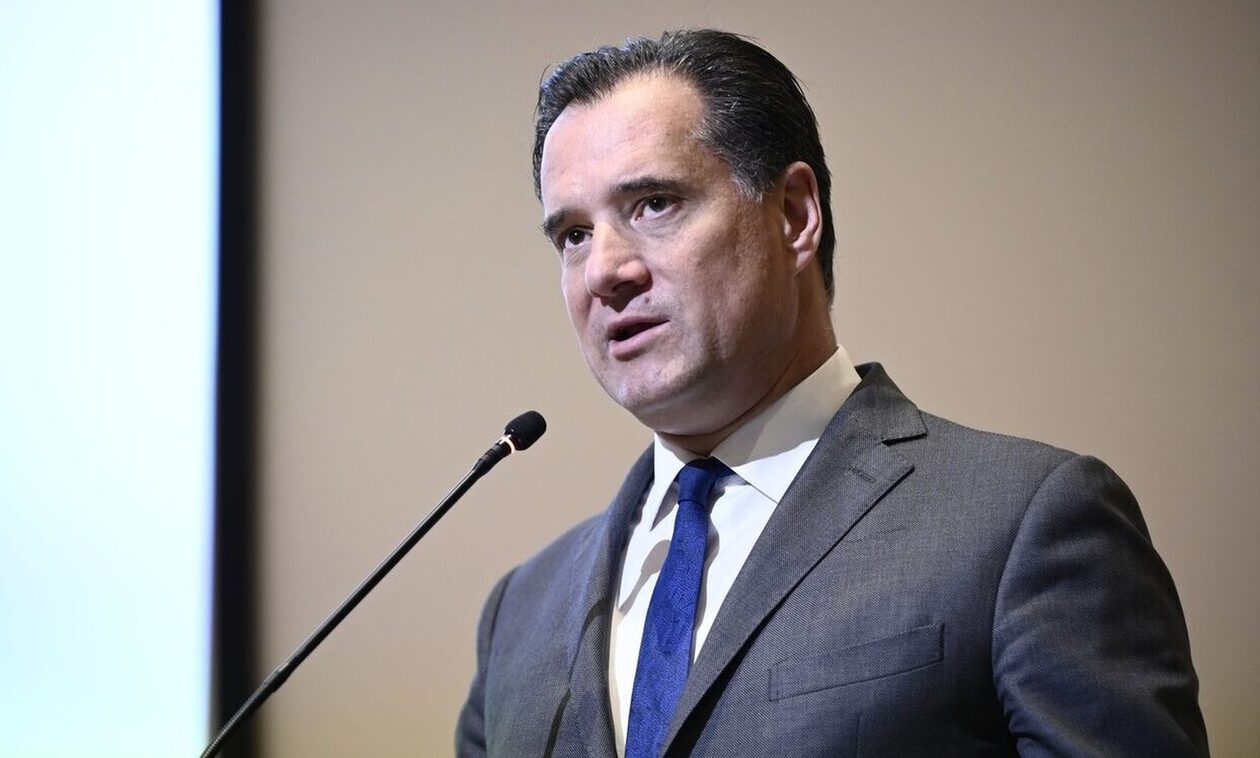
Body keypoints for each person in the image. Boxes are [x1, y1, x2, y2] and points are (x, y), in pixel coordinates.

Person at [456, 29, 1207, 757]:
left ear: (794, 214)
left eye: (654, 204)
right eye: (573, 235)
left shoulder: (1025, 526)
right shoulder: (519, 613)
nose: (604, 271)